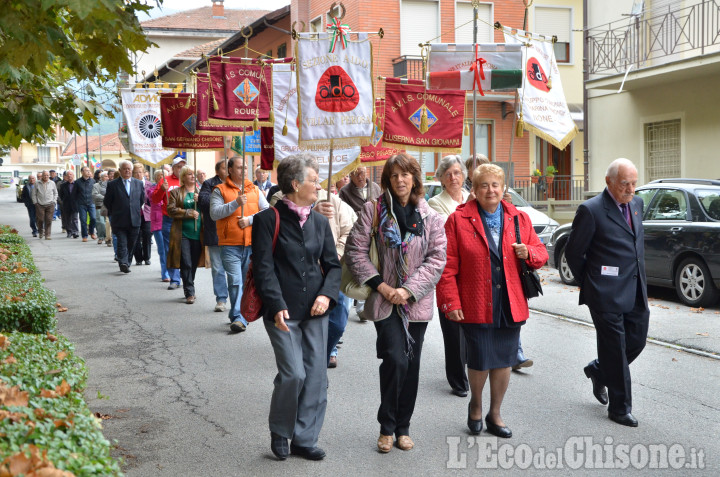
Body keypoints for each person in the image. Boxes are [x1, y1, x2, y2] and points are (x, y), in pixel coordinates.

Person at [436, 163, 547, 439]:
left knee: (504, 360)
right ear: (473, 189)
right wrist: (451, 302)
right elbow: (446, 267)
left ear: (503, 188)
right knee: (480, 358)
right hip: (475, 300)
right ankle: (476, 404)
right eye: (483, 185)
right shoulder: (458, 220)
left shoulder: (518, 218)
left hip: (509, 300)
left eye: (495, 185)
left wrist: (528, 252)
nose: (490, 190)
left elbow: (541, 253)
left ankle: (495, 413)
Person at [345, 153, 446, 453]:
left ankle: (403, 427)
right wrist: (383, 286)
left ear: (414, 178)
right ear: (387, 181)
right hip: (384, 300)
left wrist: (409, 290)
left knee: (411, 365)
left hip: (415, 303)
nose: (400, 180)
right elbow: (355, 250)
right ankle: (386, 426)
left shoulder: (430, 217)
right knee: (395, 358)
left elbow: (437, 259)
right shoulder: (373, 211)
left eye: (405, 174)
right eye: (394, 175)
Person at [251, 153, 341, 461]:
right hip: (282, 312)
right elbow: (263, 268)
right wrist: (275, 305)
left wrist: (326, 295)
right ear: (295, 184)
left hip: (316, 310)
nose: (318, 185)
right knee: (293, 374)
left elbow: (333, 265)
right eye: (314, 180)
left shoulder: (319, 221)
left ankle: (305, 438)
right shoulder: (267, 220)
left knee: (316, 377)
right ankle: (281, 430)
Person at [565, 158, 649, 428]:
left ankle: (599, 371)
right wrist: (590, 283)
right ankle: (620, 408)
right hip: (604, 292)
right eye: (625, 184)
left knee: (636, 341)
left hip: (635, 289)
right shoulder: (591, 210)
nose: (630, 189)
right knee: (615, 348)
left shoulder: (636, 204)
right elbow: (573, 252)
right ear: (609, 182)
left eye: (634, 183)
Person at [269, 186, 356, 368]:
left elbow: (349, 231)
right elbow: (275, 229)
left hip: (332, 271)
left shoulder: (333, 200)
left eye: (317, 179)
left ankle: (321, 359)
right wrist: (311, 216)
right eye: (312, 179)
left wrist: (337, 252)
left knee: (339, 323)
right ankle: (313, 369)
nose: (316, 185)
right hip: (297, 276)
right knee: (304, 327)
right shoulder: (280, 197)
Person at [427, 155, 471, 398]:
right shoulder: (436, 203)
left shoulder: (472, 197)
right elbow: (449, 232)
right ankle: (457, 378)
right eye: (448, 174)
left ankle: (474, 370)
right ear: (442, 179)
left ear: (464, 175)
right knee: (453, 327)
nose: (454, 177)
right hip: (449, 269)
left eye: (457, 172)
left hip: (474, 269)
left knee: (472, 325)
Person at [210, 157, 269, 333]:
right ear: (229, 170)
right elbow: (214, 213)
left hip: (251, 244)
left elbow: (267, 211)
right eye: (239, 168)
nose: (243, 171)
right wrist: (236, 203)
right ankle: (238, 317)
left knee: (245, 282)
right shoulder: (219, 190)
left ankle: (240, 315)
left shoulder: (255, 189)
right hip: (230, 244)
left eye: (245, 168)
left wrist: (250, 220)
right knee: (235, 281)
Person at [167, 167, 206, 304]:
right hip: (182, 233)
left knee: (193, 263)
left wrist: (200, 200)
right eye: (189, 174)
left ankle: (189, 283)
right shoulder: (175, 193)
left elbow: (209, 208)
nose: (193, 176)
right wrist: (188, 212)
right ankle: (189, 291)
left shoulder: (201, 192)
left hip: (198, 233)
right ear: (183, 177)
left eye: (194, 174)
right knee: (186, 262)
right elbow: (171, 210)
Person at [103, 160, 145, 274]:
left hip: (134, 219)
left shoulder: (138, 183)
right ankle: (123, 263)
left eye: (129, 169)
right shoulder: (112, 184)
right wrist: (115, 212)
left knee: (131, 243)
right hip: (119, 220)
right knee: (122, 242)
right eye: (125, 169)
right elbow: (107, 201)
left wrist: (133, 210)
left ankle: (126, 262)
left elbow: (142, 200)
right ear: (120, 171)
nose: (127, 171)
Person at [198, 160, 229, 312]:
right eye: (224, 168)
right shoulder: (209, 184)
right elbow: (203, 201)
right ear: (218, 171)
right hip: (215, 231)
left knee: (236, 268)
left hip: (234, 232)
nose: (228, 170)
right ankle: (221, 298)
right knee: (217, 267)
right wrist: (225, 199)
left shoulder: (238, 182)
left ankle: (239, 298)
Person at [151, 157, 185, 289]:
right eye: (178, 166)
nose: (181, 169)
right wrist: (161, 189)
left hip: (184, 219)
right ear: (173, 168)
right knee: (169, 249)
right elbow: (154, 199)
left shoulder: (188, 179)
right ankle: (174, 279)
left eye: (183, 166)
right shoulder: (165, 180)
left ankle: (185, 275)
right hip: (169, 219)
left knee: (185, 249)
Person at [149, 170, 170, 282]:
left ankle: (173, 270)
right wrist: (162, 190)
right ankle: (165, 273)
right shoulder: (152, 189)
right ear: (156, 178)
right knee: (163, 249)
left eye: (164, 175)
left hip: (170, 220)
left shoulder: (171, 188)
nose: (162, 177)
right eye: (159, 176)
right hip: (158, 223)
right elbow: (153, 199)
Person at [132, 164, 152, 265]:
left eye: (140, 172)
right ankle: (138, 258)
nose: (138, 174)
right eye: (136, 172)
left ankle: (147, 257)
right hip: (134, 213)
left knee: (147, 235)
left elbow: (152, 199)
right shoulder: (131, 184)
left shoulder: (150, 184)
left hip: (147, 213)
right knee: (135, 236)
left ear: (144, 173)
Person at [72, 166, 96, 242]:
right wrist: (75, 204)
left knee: (93, 218)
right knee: (83, 220)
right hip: (81, 204)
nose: (88, 172)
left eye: (89, 171)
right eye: (86, 171)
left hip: (91, 202)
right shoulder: (77, 182)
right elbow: (74, 194)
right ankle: (84, 235)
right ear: (82, 172)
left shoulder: (93, 181)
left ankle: (91, 232)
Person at [58, 170, 79, 238]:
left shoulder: (77, 184)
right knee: (67, 219)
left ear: (73, 176)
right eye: (68, 175)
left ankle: (75, 232)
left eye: (71, 174)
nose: (69, 176)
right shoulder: (63, 185)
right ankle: (69, 231)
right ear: (66, 177)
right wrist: (63, 201)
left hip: (75, 204)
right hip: (66, 204)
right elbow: (61, 195)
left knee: (75, 218)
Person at [92, 171, 109, 244]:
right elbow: (95, 195)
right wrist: (105, 198)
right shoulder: (96, 185)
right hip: (100, 205)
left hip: (109, 206)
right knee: (100, 222)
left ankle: (107, 237)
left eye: (108, 176)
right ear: (101, 178)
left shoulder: (111, 184)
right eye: (105, 176)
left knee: (108, 223)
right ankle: (101, 236)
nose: (107, 178)